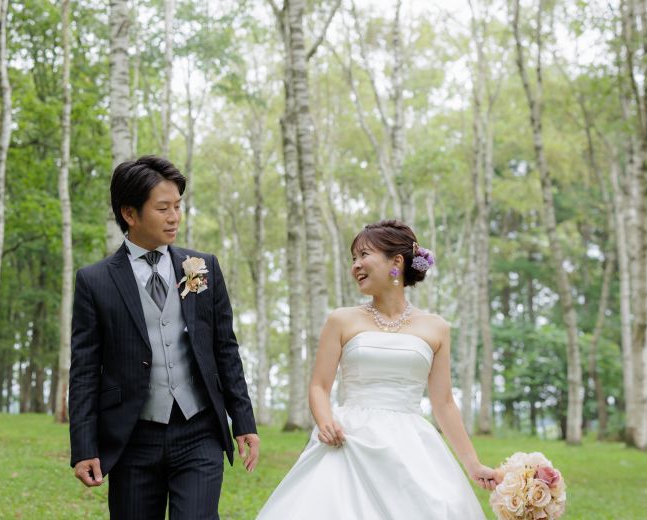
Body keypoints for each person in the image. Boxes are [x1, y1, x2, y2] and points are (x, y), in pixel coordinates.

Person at [257, 220, 499, 519]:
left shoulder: (436, 327)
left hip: (411, 441)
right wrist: (325, 420)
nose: (356, 265)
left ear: (396, 262)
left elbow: (444, 403)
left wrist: (473, 465)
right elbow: (319, 385)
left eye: (364, 255)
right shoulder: (341, 320)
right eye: (353, 258)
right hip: (350, 437)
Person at [68, 155, 259, 519]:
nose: (174, 217)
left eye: (178, 206)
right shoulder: (95, 281)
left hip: (199, 431)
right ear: (130, 213)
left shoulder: (201, 268)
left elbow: (225, 349)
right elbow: (85, 371)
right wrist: (83, 446)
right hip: (132, 438)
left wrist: (244, 421)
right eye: (163, 208)